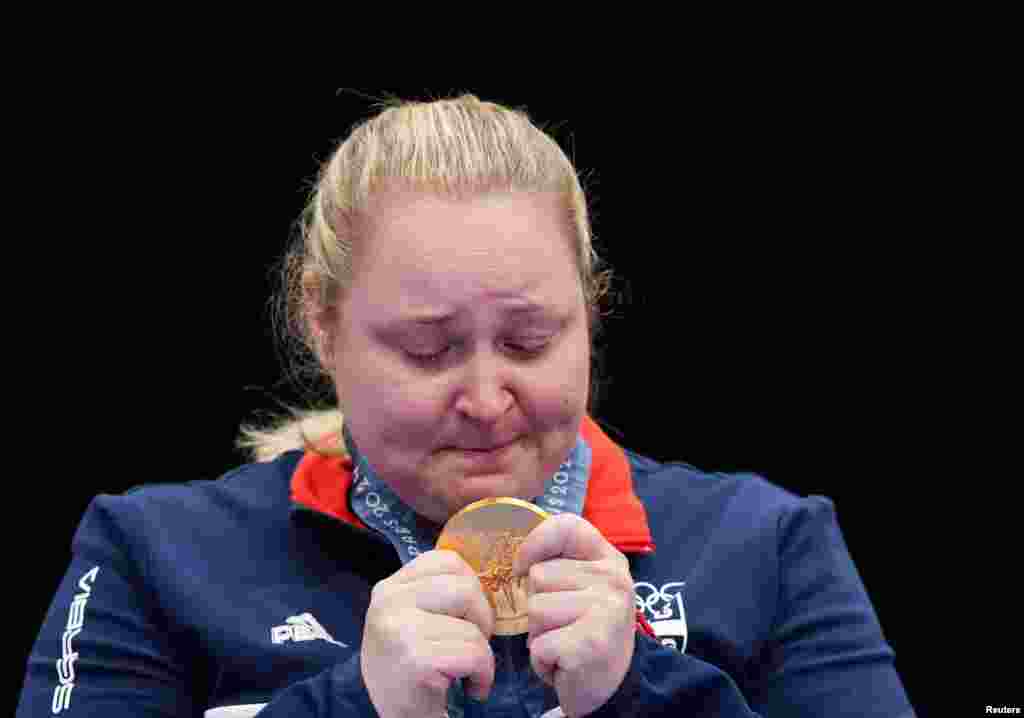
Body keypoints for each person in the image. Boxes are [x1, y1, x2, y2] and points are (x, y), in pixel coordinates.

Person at [17, 92, 915, 717]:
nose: (487, 399)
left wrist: (642, 693)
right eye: (427, 349)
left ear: (589, 316)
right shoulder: (152, 557)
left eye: (530, 341)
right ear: (322, 328)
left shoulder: (770, 544)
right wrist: (359, 706)